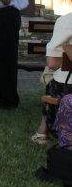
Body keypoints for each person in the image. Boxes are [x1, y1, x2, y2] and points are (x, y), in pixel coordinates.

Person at [31, 13, 72, 144]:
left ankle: (42, 131)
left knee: (50, 74)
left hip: (68, 87)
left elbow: (53, 63)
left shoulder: (66, 21)